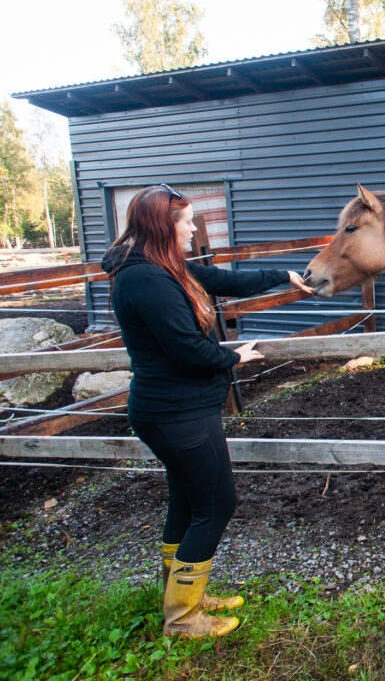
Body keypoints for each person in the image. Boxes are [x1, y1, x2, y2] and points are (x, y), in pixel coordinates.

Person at [101, 183, 311, 639]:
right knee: (217, 503)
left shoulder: (164, 268)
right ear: (164, 226)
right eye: (187, 221)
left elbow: (225, 281)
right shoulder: (148, 280)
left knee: (188, 499)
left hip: (174, 410)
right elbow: (186, 350)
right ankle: (183, 619)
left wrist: (283, 274)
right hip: (178, 413)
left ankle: (181, 594)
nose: (193, 228)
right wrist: (235, 357)